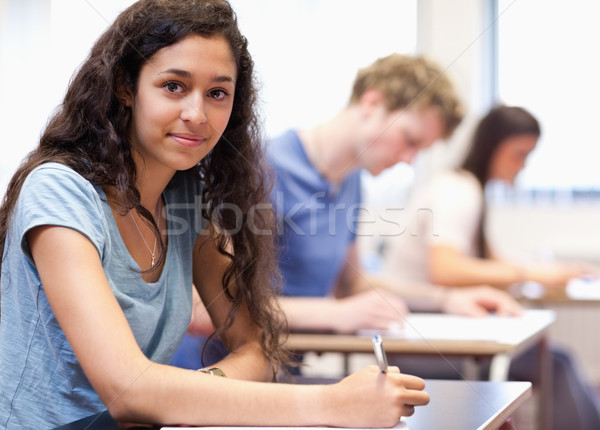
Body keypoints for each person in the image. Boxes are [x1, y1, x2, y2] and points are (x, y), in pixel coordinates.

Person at [0, 1, 430, 428]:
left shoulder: (187, 198)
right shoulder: (59, 191)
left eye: (217, 93)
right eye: (173, 86)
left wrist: (185, 392)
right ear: (125, 88)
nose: (197, 114)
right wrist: (330, 405)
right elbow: (128, 389)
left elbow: (257, 346)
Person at [169, 55, 524, 372]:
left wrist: (445, 300)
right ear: (373, 102)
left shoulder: (352, 182)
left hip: (279, 366)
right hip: (214, 371)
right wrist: (335, 314)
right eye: (410, 139)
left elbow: (351, 284)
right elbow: (205, 308)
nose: (408, 160)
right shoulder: (261, 169)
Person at [382, 105, 600, 429]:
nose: (522, 165)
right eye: (518, 154)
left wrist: (549, 271)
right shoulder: (458, 191)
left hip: (433, 331)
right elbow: (446, 269)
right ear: (493, 146)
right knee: (557, 365)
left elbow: (491, 258)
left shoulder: (466, 188)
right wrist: (532, 274)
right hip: (420, 342)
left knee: (556, 361)